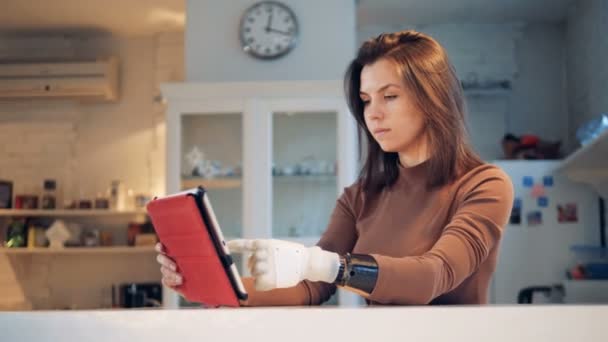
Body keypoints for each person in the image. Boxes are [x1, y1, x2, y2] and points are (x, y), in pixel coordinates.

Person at [156, 29, 514, 306]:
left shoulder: (483, 185)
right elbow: (312, 287)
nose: (373, 113)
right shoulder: (360, 196)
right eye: (366, 100)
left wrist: (331, 265)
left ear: (433, 98)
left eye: (390, 96)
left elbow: (433, 276)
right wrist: (206, 283)